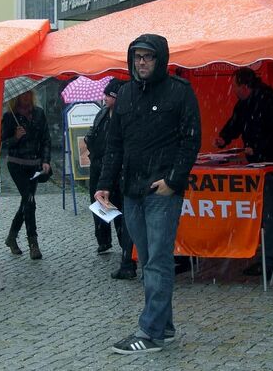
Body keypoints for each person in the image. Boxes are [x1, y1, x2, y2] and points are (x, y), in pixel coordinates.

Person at [96, 34, 201, 354]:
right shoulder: (125, 93)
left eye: (148, 57)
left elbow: (191, 140)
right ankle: (164, 327)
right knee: (148, 261)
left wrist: (173, 180)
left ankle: (150, 331)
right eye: (137, 56)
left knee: (157, 261)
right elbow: (114, 145)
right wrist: (104, 184)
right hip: (131, 192)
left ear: (161, 59)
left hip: (161, 192)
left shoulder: (179, 92)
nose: (142, 62)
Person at [213, 67, 273, 279]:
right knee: (269, 211)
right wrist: (224, 138)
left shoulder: (267, 101)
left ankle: (271, 261)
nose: (232, 90)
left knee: (271, 212)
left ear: (245, 86)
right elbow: (236, 123)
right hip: (262, 163)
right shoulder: (247, 102)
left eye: (234, 86)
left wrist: (256, 149)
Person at [84, 78, 137, 280]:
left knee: (119, 209)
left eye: (108, 95)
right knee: (99, 204)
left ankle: (127, 250)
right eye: (105, 94)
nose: (105, 98)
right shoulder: (102, 113)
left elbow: (119, 145)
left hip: (117, 169)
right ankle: (103, 240)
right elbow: (92, 132)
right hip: (99, 165)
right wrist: (90, 141)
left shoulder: (124, 116)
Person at [1, 90, 51, 260]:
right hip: (16, 165)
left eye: (28, 94)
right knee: (29, 200)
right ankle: (33, 244)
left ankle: (11, 237)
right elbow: (2, 143)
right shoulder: (10, 117)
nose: (26, 98)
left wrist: (45, 160)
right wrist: (15, 137)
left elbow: (46, 139)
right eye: (22, 95)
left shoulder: (39, 113)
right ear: (17, 97)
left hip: (34, 165)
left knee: (26, 202)